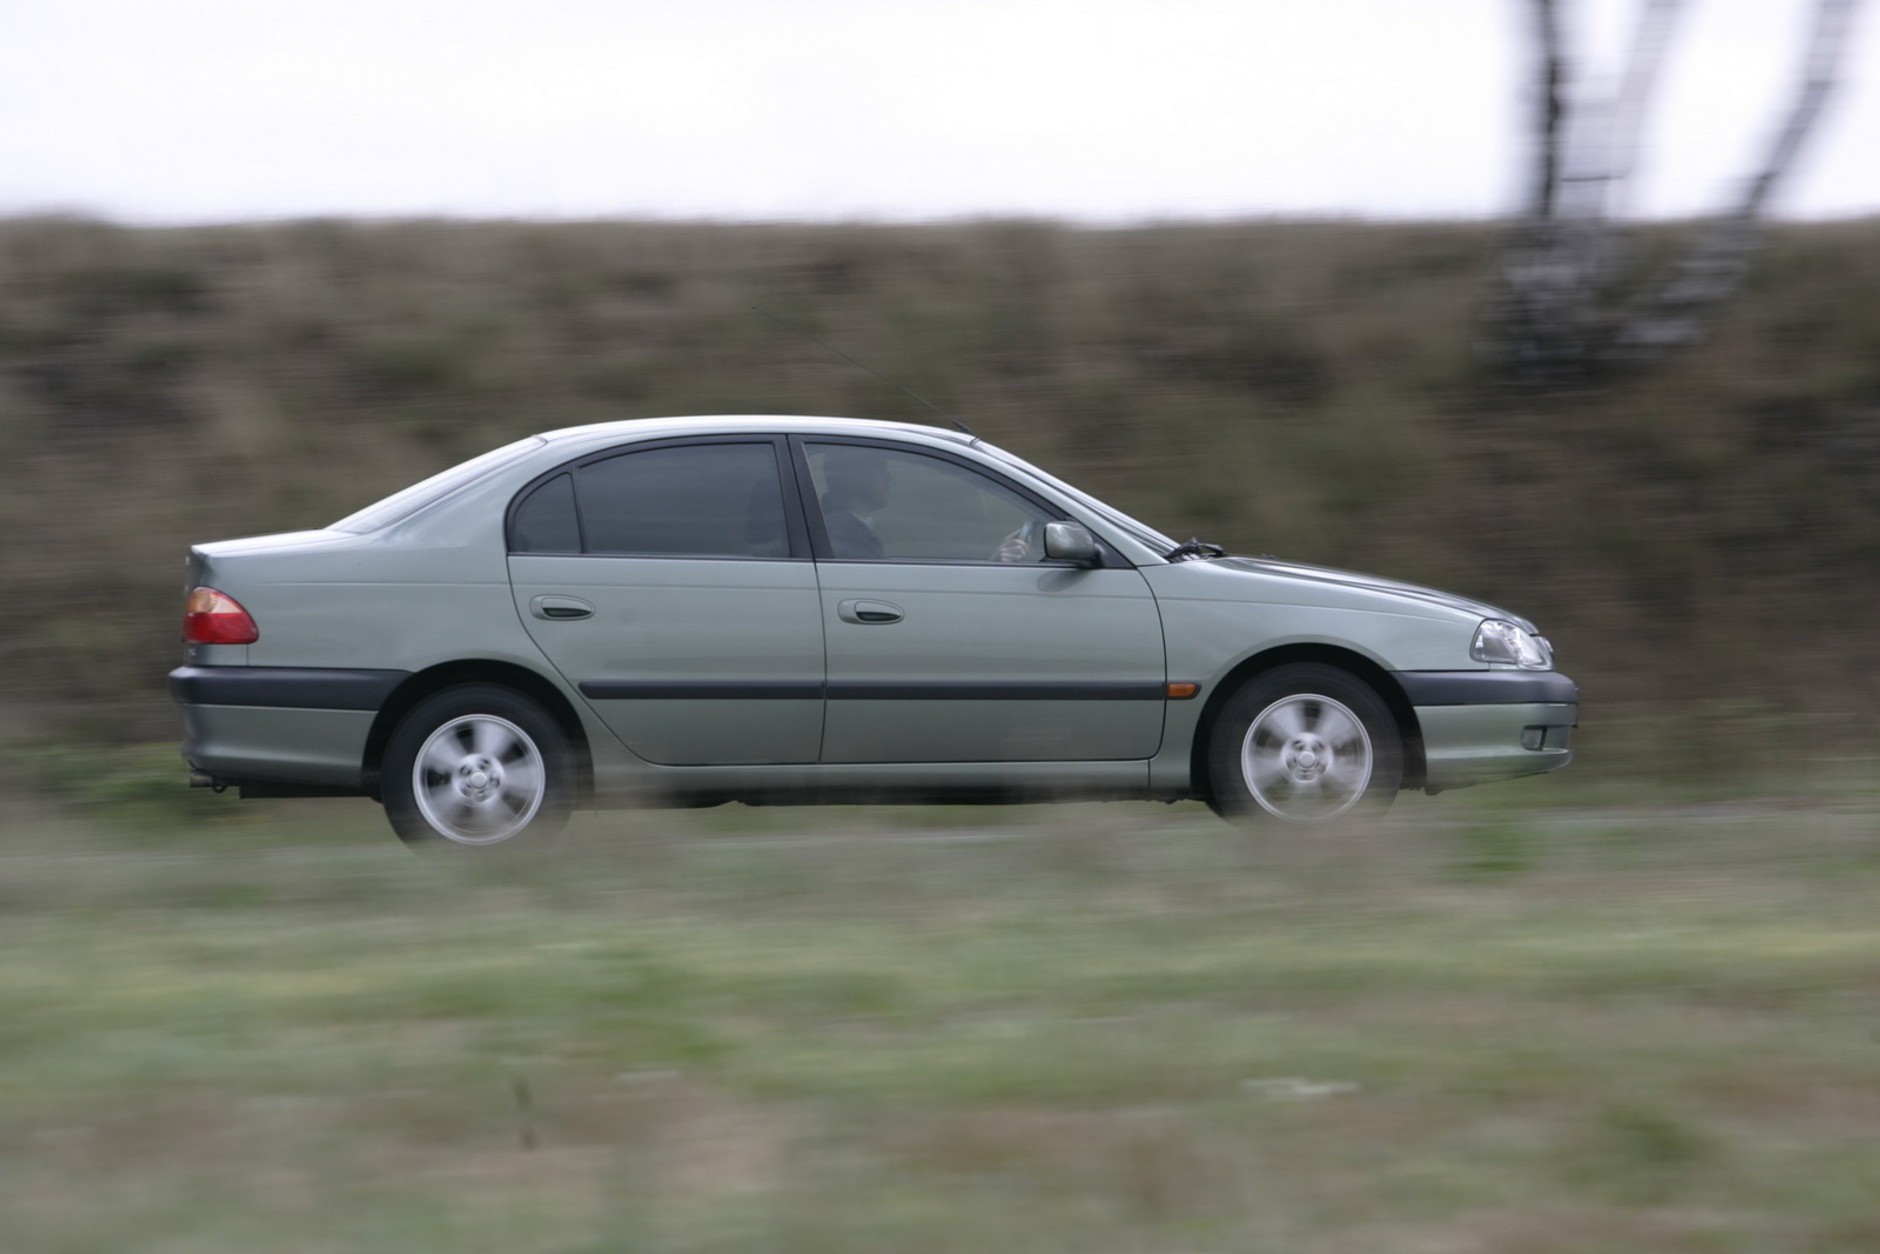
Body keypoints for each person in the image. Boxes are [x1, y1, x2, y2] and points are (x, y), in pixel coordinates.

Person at [819, 447, 891, 559]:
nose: (889, 478)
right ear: (854, 476)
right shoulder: (845, 537)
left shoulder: (837, 526)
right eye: (881, 469)